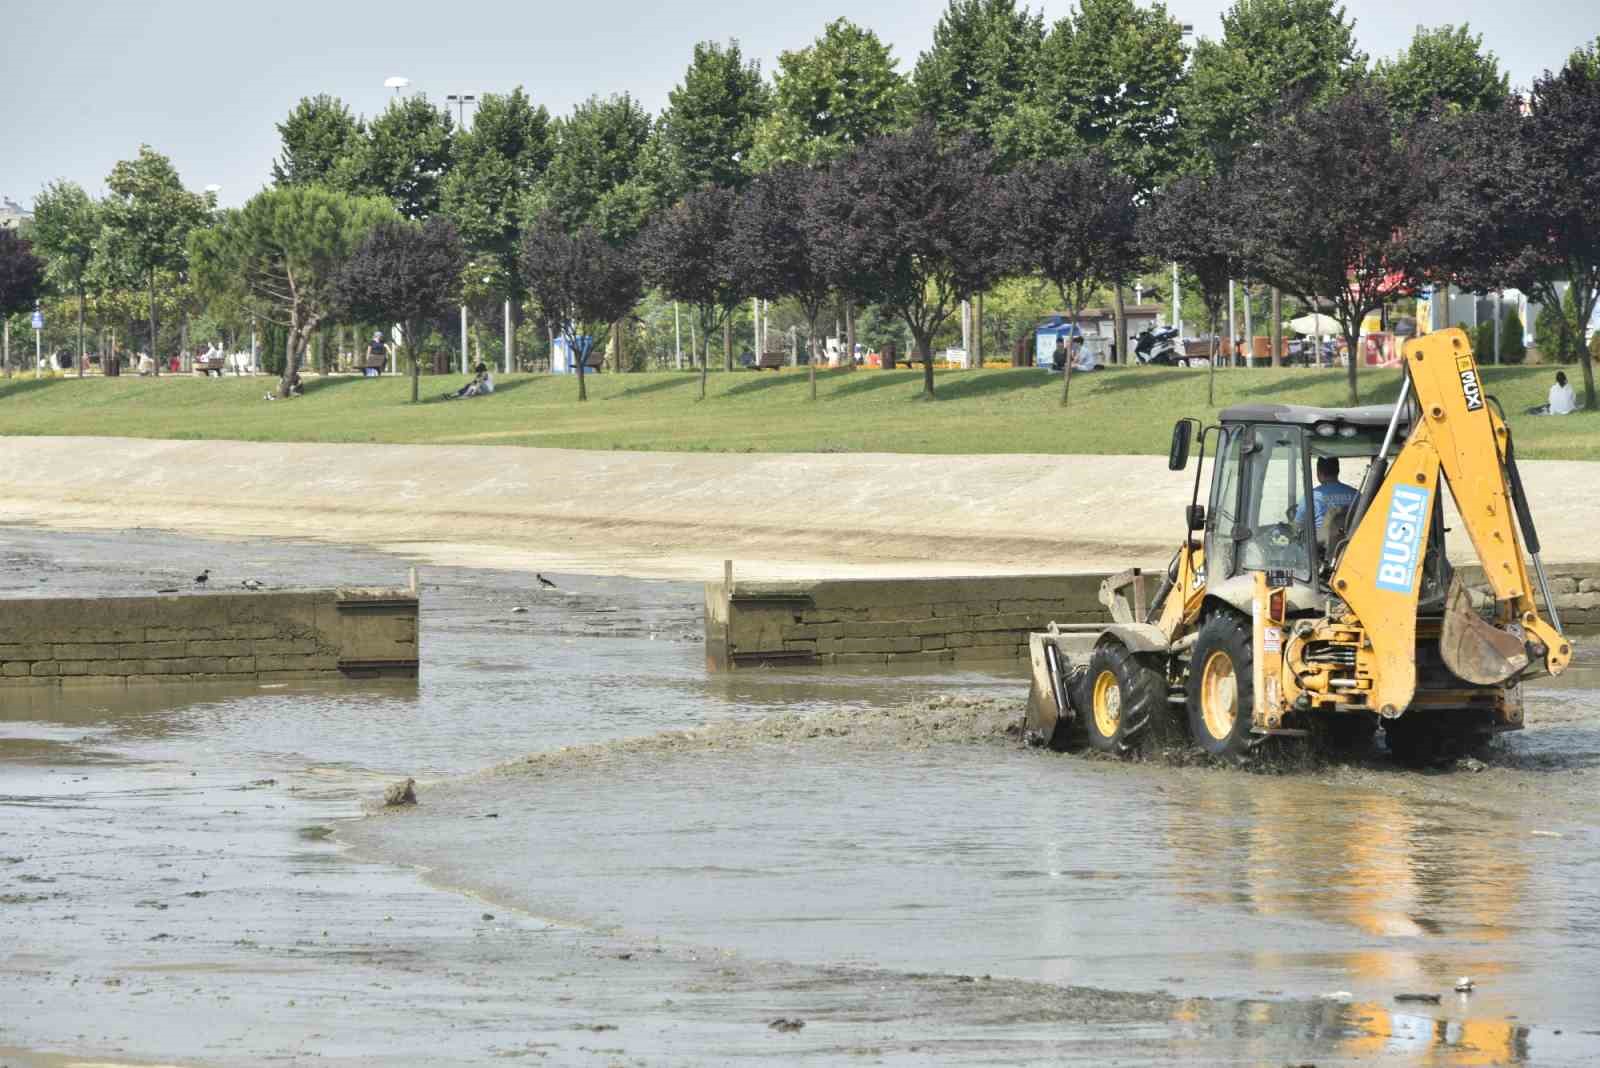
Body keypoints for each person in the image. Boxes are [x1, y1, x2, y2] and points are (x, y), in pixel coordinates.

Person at [1296, 455, 1359, 530]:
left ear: (1319, 473)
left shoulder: (1311, 496)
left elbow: (1298, 525)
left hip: (1320, 540)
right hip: (1352, 539)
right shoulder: (1356, 494)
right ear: (1338, 471)